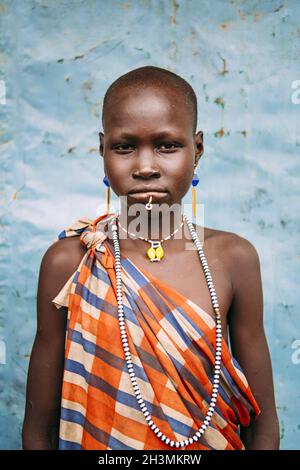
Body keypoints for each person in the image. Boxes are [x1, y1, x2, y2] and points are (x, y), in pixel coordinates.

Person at [22, 65, 279, 450]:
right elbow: (38, 426)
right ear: (102, 151)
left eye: (167, 146)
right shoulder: (69, 261)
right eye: (124, 146)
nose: (145, 167)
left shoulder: (233, 258)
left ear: (198, 150)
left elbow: (263, 426)